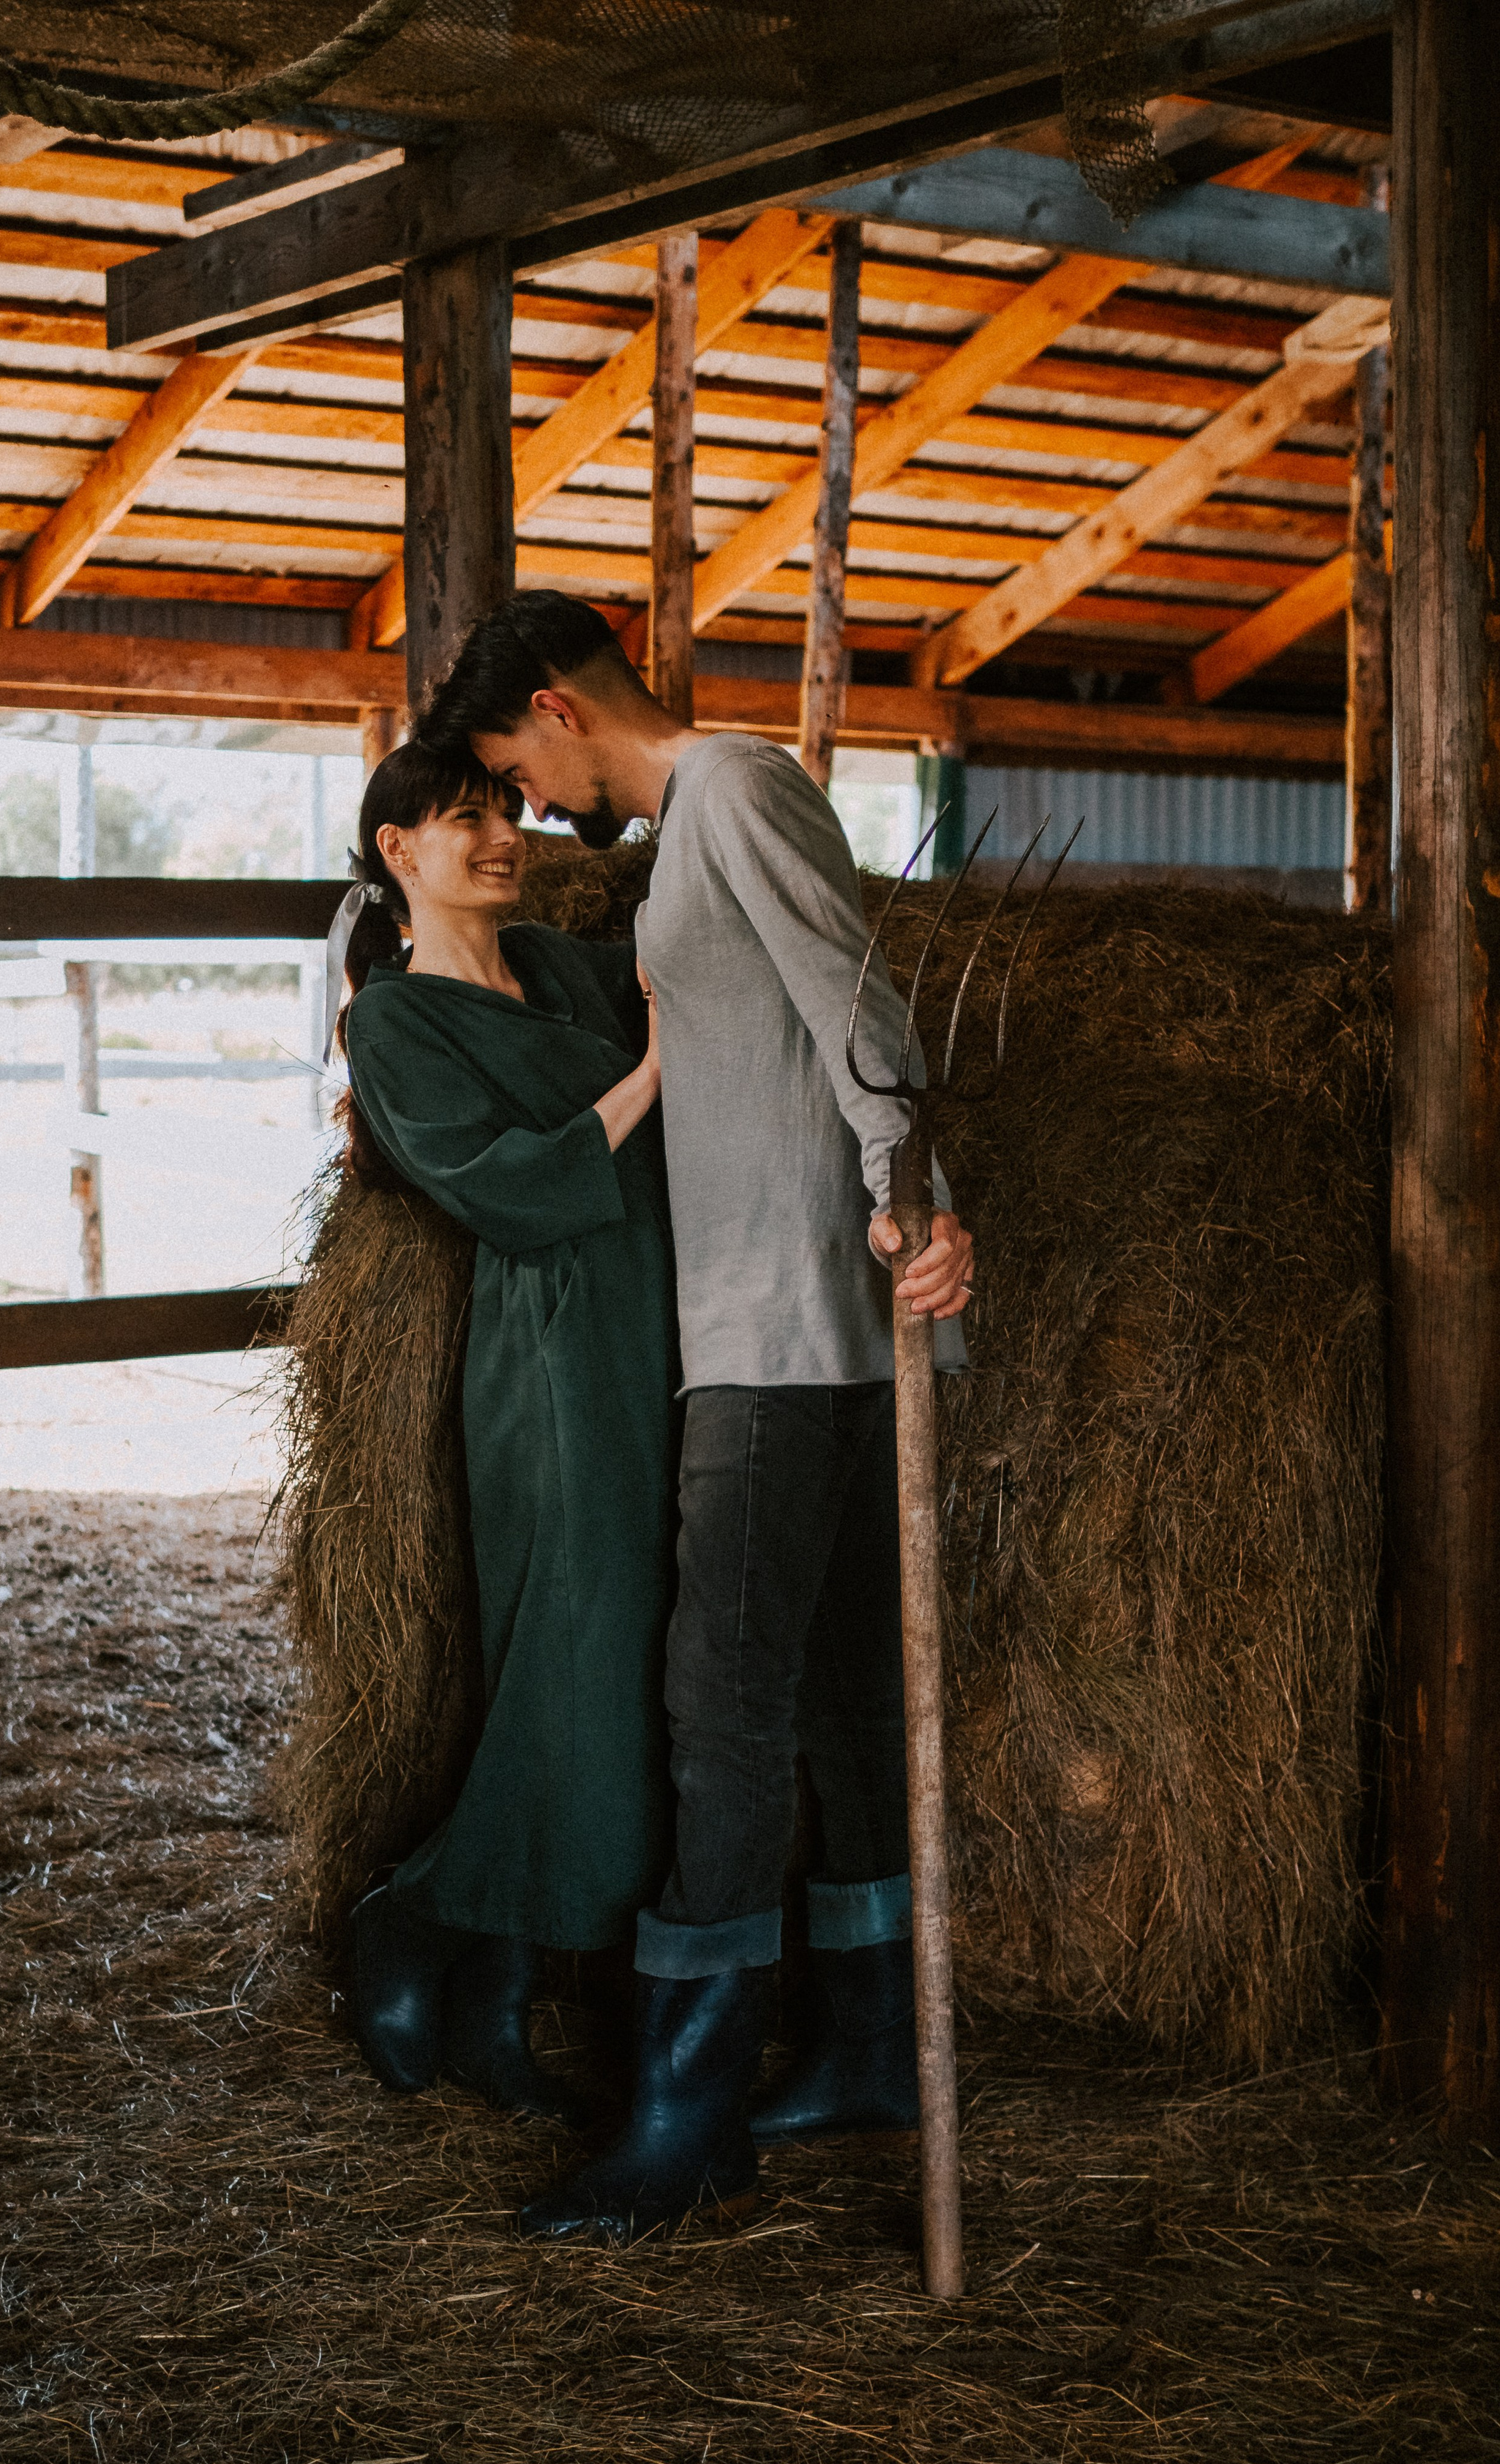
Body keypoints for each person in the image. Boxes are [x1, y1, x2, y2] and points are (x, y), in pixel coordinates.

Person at [419, 592, 976, 2243]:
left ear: (554, 706)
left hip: (789, 1331)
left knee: (716, 1713)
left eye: (513, 762)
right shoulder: (693, 830)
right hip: (772, 1319)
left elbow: (856, 1000)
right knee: (829, 1700)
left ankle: (684, 2114)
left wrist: (905, 1198)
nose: (524, 801)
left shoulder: (731, 786)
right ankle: (869, 2045)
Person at [331, 739, 677, 2127]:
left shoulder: (566, 966)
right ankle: (414, 1918)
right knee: (567, 1651)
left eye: (509, 812)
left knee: (627, 1650)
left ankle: (493, 1994)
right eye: (465, 818)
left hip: (656, 1324)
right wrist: (654, 1074)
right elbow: (508, 1188)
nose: (501, 836)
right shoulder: (394, 1022)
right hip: (548, 1351)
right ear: (396, 849)